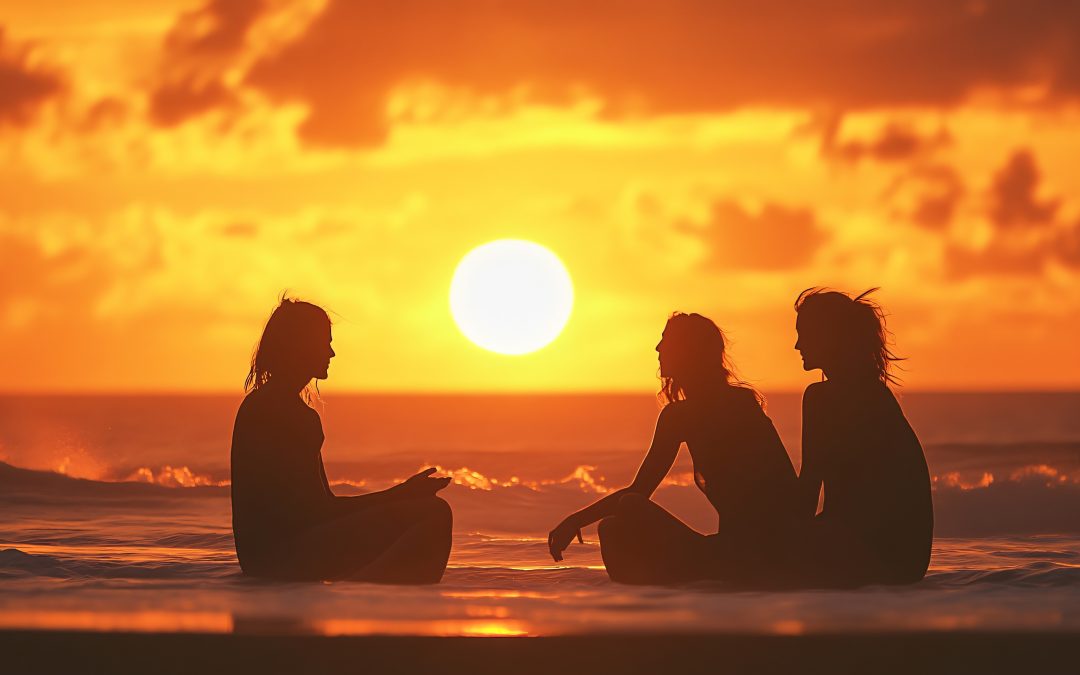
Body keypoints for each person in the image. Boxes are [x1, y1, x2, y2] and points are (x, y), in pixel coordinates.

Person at [547, 313, 801, 585]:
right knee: (611, 526)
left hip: (749, 554)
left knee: (624, 512)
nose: (657, 349)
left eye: (665, 341)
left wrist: (574, 521)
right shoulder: (731, 403)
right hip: (744, 550)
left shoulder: (702, 412)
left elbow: (637, 494)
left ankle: (652, 601)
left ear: (688, 352)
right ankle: (651, 602)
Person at [230, 297, 453, 583]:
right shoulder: (287, 413)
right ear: (301, 346)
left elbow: (319, 507)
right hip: (283, 559)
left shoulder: (260, 404)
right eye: (325, 343)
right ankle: (385, 606)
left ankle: (375, 597)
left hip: (261, 560)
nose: (331, 353)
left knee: (425, 512)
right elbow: (318, 512)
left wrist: (399, 495)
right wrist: (399, 496)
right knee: (434, 513)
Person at [793, 288, 933, 586]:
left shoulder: (822, 398)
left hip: (865, 556)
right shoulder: (877, 395)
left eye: (804, 334)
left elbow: (807, 492)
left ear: (828, 338)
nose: (797, 345)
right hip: (907, 562)